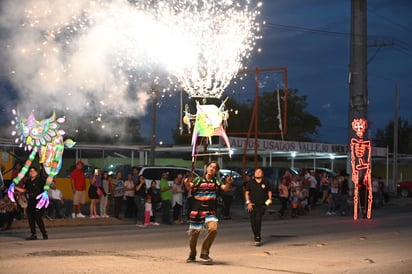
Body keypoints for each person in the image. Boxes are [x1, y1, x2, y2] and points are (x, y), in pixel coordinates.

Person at [184, 161, 233, 264]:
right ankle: (192, 254)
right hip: (197, 210)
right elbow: (190, 186)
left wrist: (228, 182)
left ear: (216, 171)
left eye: (214, 168)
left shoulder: (216, 181)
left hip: (210, 210)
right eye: (210, 166)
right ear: (207, 168)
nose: (212, 169)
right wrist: (187, 182)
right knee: (193, 237)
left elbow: (224, 188)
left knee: (213, 229)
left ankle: (204, 252)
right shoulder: (198, 180)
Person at [14, 166, 48, 240]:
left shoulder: (40, 180)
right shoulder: (28, 181)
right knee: (30, 218)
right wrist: (16, 188)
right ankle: (33, 234)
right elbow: (25, 190)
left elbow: (45, 181)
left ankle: (44, 233)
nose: (31, 172)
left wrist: (42, 166)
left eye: (33, 171)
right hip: (31, 201)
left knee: (38, 217)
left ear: (36, 172)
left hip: (38, 201)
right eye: (30, 171)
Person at [244, 167, 272, 246]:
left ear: (262, 174)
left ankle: (258, 236)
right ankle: (255, 234)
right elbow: (246, 193)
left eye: (260, 172)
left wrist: (270, 199)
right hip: (252, 204)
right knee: (253, 222)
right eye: (256, 172)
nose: (258, 173)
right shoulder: (250, 182)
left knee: (258, 219)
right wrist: (248, 202)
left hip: (262, 205)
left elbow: (269, 191)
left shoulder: (266, 182)